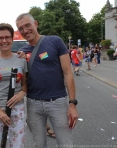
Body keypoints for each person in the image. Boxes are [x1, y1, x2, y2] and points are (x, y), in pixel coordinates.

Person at [16, 13, 78, 148]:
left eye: (28, 25)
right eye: (21, 28)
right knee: (39, 144)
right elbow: (20, 79)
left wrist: (72, 104)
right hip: (33, 105)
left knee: (65, 144)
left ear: (36, 24)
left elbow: (68, 73)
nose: (25, 30)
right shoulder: (22, 51)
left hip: (58, 102)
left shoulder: (55, 41)